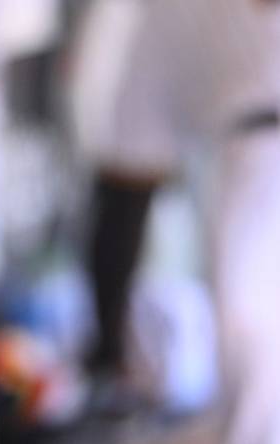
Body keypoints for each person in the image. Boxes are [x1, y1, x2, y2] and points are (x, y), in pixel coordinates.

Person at [70, 0, 280, 440]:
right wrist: (109, 353)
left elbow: (124, 191)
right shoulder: (149, 13)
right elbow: (126, 184)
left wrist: (107, 352)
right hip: (252, 155)